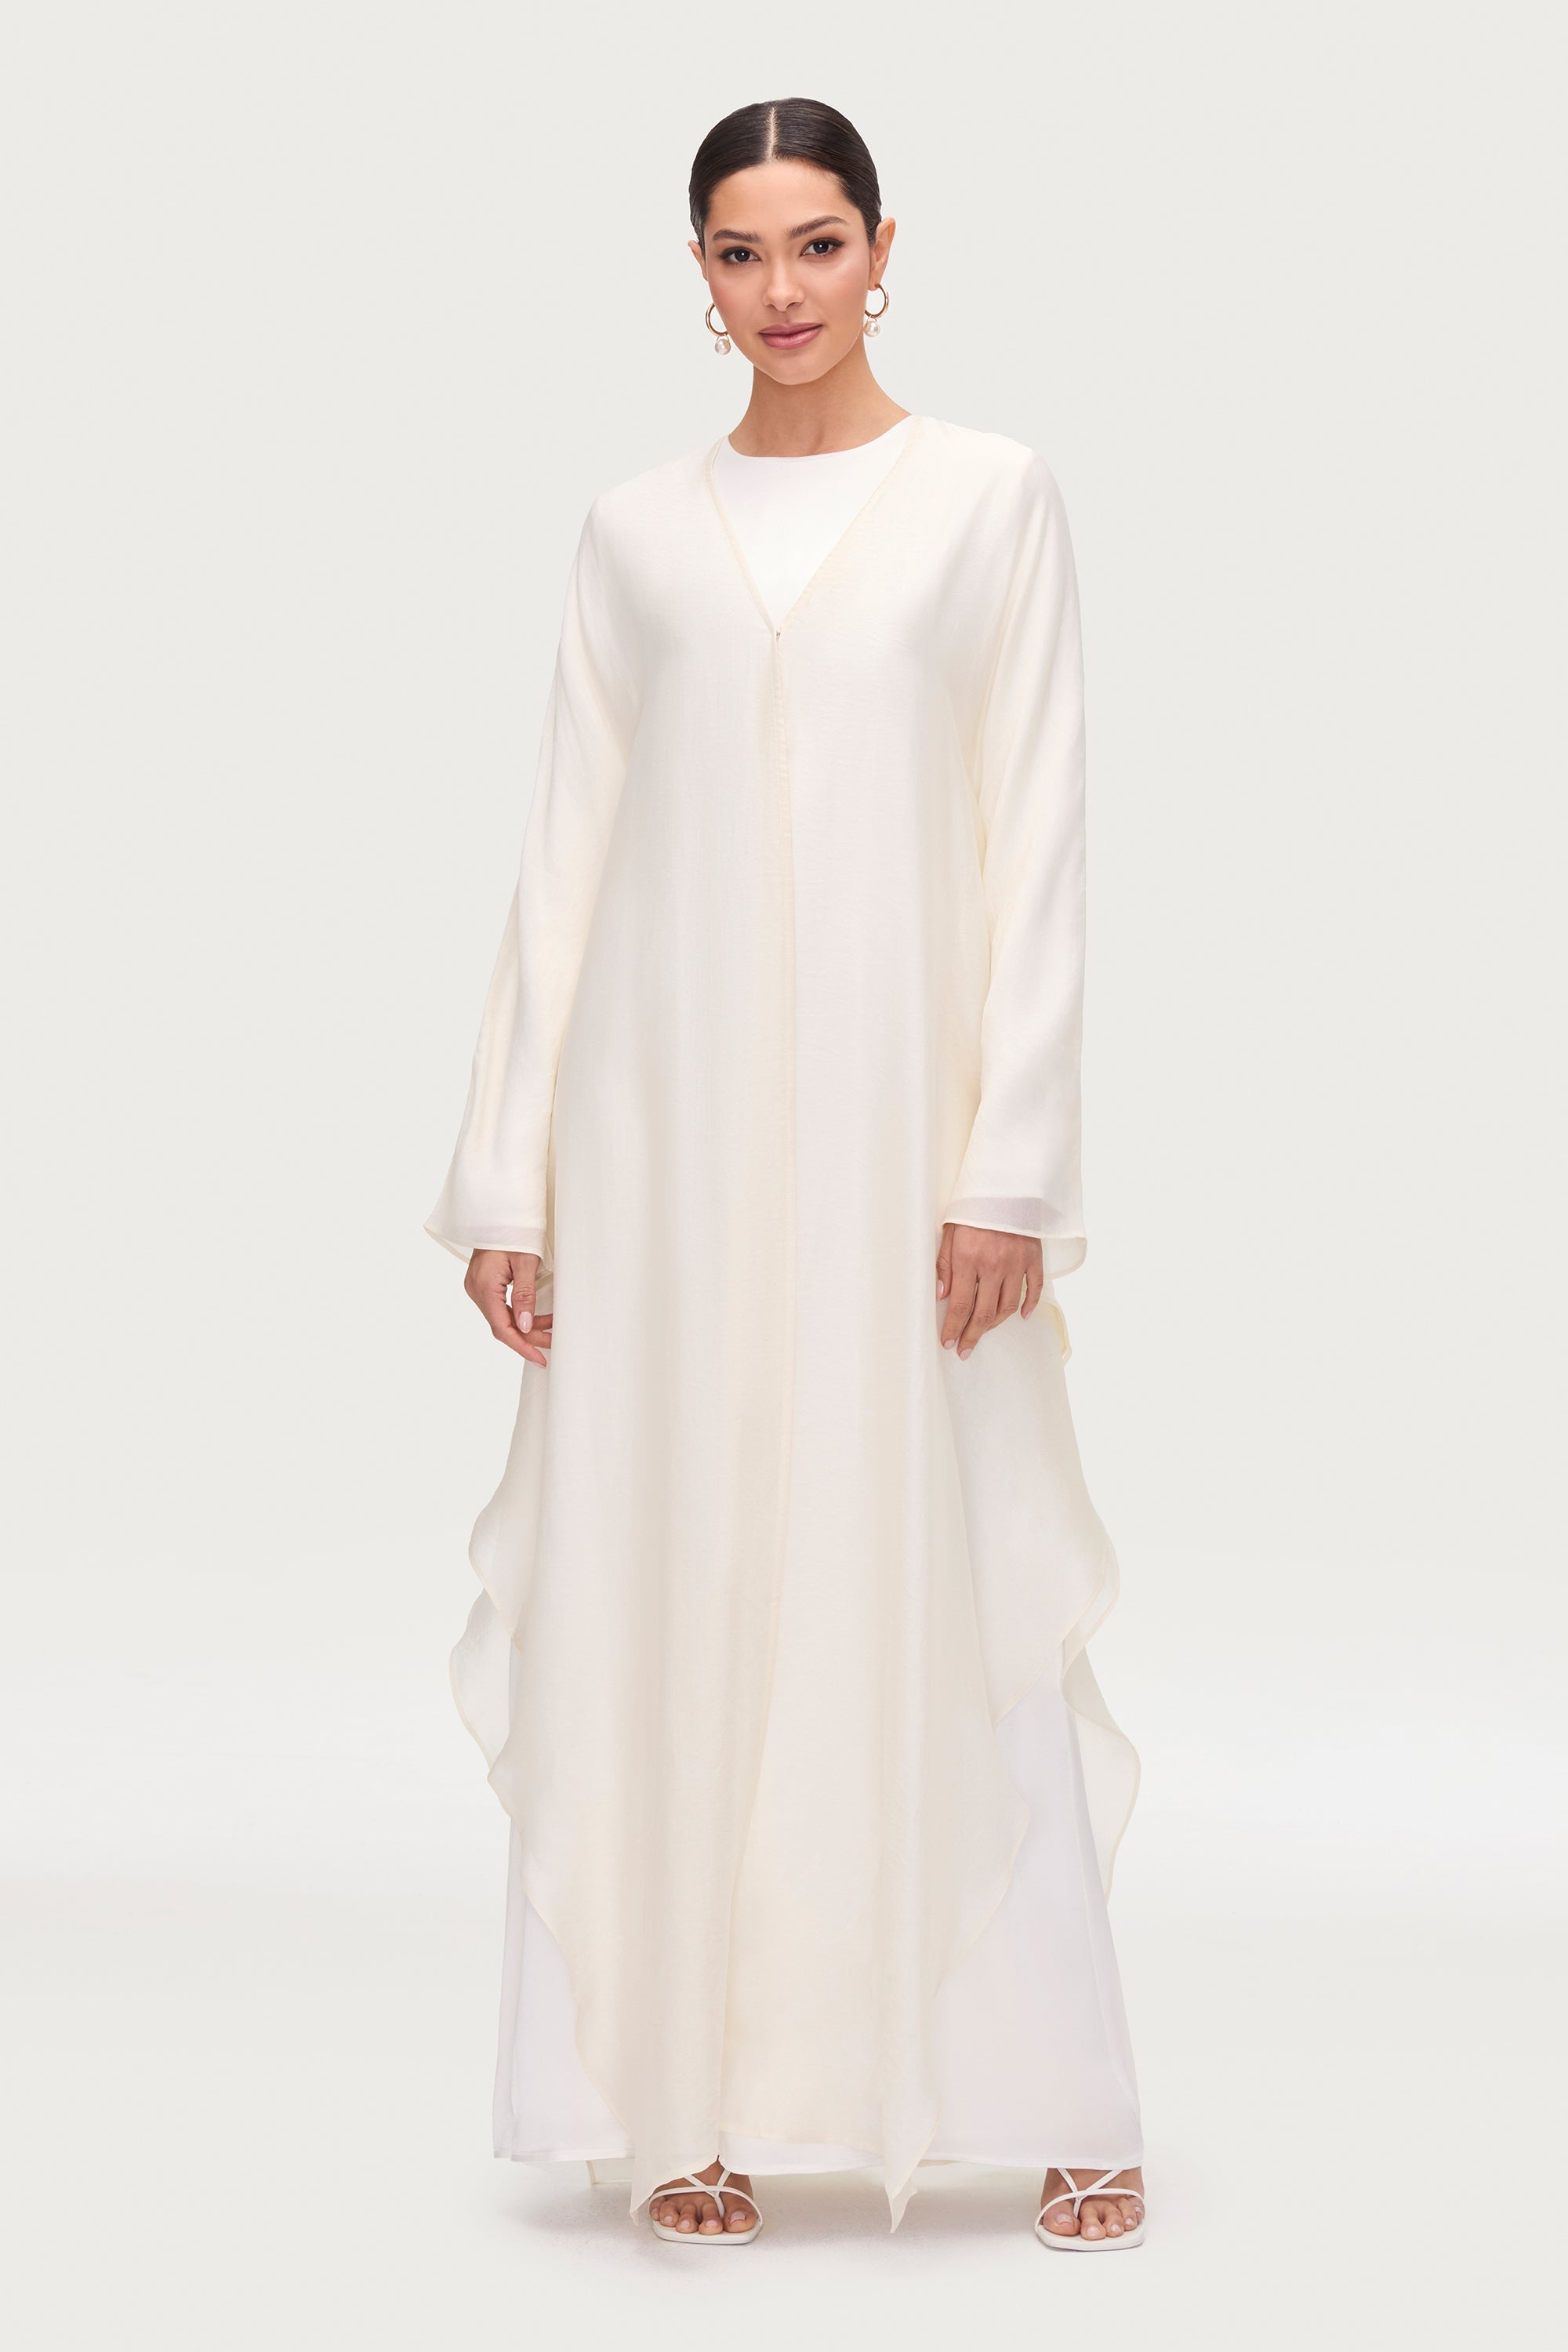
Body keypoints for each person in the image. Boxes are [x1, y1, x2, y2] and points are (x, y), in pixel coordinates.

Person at [427, 96, 1147, 2252]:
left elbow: (1040, 838)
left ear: (885, 247)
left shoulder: (991, 499)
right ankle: (685, 2100)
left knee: (942, 1556)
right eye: (742, 253)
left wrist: (1009, 1168)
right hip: (657, 1149)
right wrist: (512, 1183)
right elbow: (564, 858)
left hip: (904, 1143)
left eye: (819, 243)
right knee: (675, 1578)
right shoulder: (633, 533)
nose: (784, 290)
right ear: (700, 275)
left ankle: (1054, 2083)